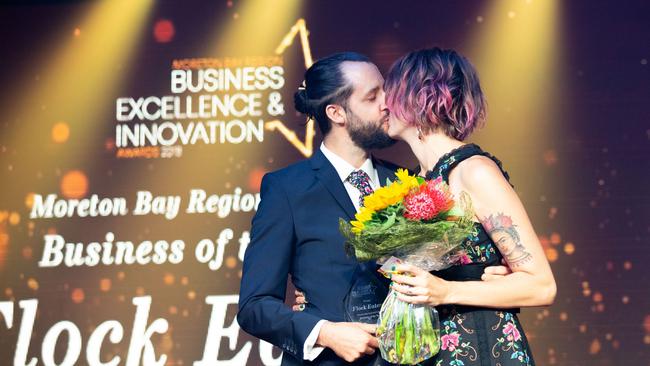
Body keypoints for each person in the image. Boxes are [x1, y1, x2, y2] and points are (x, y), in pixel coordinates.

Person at [383, 47, 557, 365]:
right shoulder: (417, 181)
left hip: (482, 349)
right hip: (429, 348)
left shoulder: (473, 171)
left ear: (417, 99)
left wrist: (446, 291)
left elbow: (541, 285)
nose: (384, 104)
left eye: (390, 92)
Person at [237, 52, 399, 365]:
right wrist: (325, 332)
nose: (387, 103)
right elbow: (254, 306)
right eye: (372, 96)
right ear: (336, 113)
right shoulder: (287, 189)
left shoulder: (404, 182)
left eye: (386, 91)